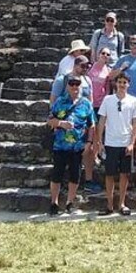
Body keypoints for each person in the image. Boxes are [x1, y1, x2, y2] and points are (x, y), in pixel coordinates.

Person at [46, 74, 95, 215]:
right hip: (60, 145)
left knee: (75, 175)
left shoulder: (86, 103)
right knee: (57, 174)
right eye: (72, 84)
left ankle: (69, 202)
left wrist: (89, 142)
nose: (74, 87)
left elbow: (91, 125)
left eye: (77, 84)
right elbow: (50, 120)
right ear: (67, 86)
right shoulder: (60, 101)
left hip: (77, 146)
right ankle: (54, 203)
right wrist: (61, 124)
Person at [95, 72, 136, 216]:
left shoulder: (133, 101)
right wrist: (99, 141)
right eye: (119, 82)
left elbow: (135, 123)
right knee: (109, 175)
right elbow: (101, 121)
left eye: (124, 82)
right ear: (116, 84)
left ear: (128, 84)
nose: (122, 85)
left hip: (125, 143)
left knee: (124, 175)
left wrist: (132, 143)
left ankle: (121, 203)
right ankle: (109, 204)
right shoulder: (108, 100)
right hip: (110, 142)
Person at [83, 49, 113, 193]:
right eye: (103, 53)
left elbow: (107, 90)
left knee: (97, 133)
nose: (105, 56)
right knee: (90, 133)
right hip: (88, 105)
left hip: (100, 105)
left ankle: (96, 153)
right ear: (98, 54)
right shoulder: (90, 68)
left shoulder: (108, 71)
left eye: (108, 54)